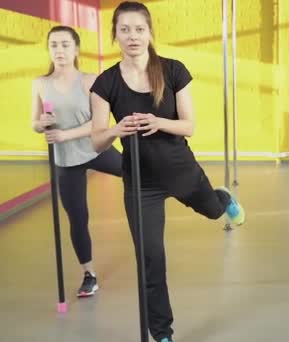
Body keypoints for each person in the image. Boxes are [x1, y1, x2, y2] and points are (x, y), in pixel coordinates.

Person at [90, 2, 245, 341]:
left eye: (139, 29)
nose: (132, 36)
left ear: (150, 33)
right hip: (141, 183)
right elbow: (97, 143)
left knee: (213, 210)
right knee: (150, 260)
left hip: (180, 169)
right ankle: (162, 333)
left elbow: (189, 126)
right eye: (125, 29)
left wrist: (158, 121)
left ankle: (221, 199)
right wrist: (118, 130)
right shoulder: (105, 83)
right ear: (115, 34)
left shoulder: (174, 70)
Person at [31, 25, 122, 298]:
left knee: (139, 172)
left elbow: (99, 122)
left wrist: (64, 133)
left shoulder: (90, 80)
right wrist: (41, 124)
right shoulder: (40, 83)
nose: (59, 50)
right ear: (49, 50)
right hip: (66, 160)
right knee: (78, 218)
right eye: (54, 45)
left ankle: (203, 195)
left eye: (65, 45)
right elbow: (34, 123)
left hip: (96, 149)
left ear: (76, 49)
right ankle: (89, 274)